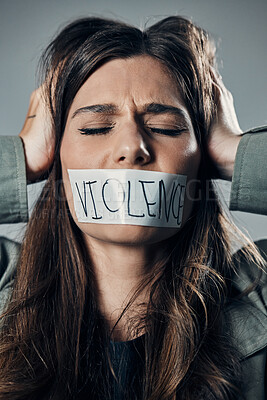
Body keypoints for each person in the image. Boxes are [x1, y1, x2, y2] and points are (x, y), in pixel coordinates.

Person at [0, 16, 266, 400]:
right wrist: (24, 155)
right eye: (95, 128)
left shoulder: (259, 294)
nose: (132, 148)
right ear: (57, 157)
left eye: (165, 127)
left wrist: (233, 150)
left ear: (201, 158)